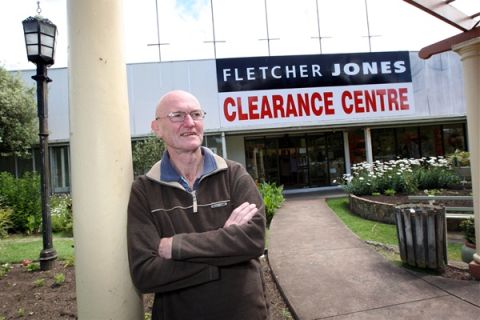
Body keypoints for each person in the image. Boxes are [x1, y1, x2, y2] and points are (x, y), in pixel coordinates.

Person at [127, 90, 269, 320]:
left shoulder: (234, 175)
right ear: (157, 128)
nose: (190, 123)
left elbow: (253, 241)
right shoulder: (145, 190)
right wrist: (226, 249)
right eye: (177, 115)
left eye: (196, 114)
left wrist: (177, 247)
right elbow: (145, 273)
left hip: (244, 313)